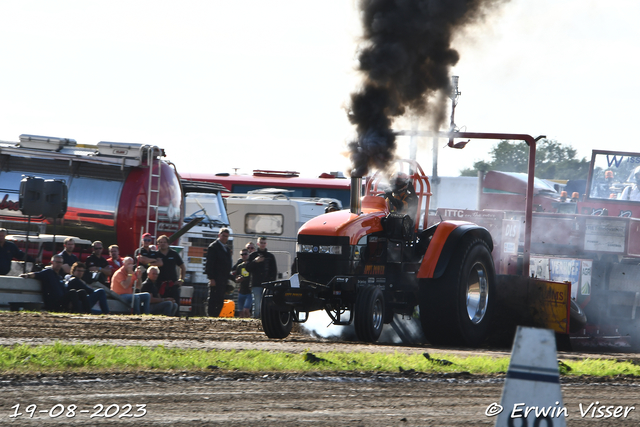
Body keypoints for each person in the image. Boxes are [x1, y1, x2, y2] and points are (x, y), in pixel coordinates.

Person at [19, 255, 86, 313]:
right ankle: (78, 312)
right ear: (52, 262)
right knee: (72, 292)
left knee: (82, 292)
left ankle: (87, 312)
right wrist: (27, 275)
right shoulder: (48, 272)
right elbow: (36, 274)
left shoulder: (59, 276)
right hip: (53, 303)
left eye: (61, 263)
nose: (59, 264)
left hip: (62, 302)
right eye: (57, 262)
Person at [245, 236, 277, 319]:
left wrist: (272, 282)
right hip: (256, 283)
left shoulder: (270, 256)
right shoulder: (253, 255)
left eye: (264, 243)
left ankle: (266, 319)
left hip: (267, 284)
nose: (262, 245)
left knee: (267, 303)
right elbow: (247, 268)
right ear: (258, 244)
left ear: (266, 244)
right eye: (261, 243)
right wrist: (255, 261)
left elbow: (274, 271)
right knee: (257, 303)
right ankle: (256, 319)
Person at [205, 228, 232, 317]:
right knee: (213, 297)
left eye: (226, 236)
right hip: (216, 277)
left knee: (221, 298)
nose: (225, 238)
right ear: (219, 235)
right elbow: (210, 263)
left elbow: (228, 264)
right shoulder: (213, 247)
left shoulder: (226, 249)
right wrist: (211, 278)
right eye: (223, 236)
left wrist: (228, 277)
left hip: (223, 278)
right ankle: (211, 315)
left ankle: (216, 315)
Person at [155, 235, 186, 304]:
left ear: (168, 243)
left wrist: (181, 279)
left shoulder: (174, 254)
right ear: (158, 244)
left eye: (165, 242)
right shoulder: (155, 254)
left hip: (172, 284)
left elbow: (183, 267)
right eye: (161, 242)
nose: (163, 244)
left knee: (175, 304)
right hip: (159, 284)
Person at [232, 248, 252, 318]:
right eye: (242, 254)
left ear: (248, 254)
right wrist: (238, 279)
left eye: (245, 254)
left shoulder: (251, 265)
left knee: (246, 310)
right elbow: (236, 277)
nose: (244, 256)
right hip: (241, 291)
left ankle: (250, 322)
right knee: (240, 312)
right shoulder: (239, 266)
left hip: (249, 291)